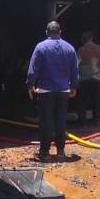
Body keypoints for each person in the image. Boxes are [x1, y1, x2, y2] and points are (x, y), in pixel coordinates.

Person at [27, 21, 79, 161]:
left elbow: (33, 70)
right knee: (61, 120)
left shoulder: (41, 47)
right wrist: (73, 86)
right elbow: (75, 71)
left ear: (46, 32)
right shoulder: (69, 48)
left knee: (46, 121)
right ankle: (61, 151)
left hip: (45, 90)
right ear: (60, 32)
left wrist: (30, 85)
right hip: (63, 90)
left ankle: (45, 153)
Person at [76, 31, 100, 126]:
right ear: (91, 38)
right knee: (97, 100)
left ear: (82, 40)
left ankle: (82, 122)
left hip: (84, 79)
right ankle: (97, 120)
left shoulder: (81, 50)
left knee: (82, 102)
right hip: (98, 78)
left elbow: (76, 64)